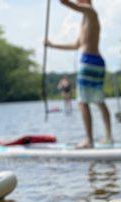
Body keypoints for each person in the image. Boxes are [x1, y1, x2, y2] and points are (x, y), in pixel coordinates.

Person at [45, 0, 112, 148]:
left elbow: (67, 4)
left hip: (89, 62)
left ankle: (89, 140)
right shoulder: (86, 20)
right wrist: (52, 45)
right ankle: (108, 136)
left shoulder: (89, 10)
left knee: (83, 102)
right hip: (96, 61)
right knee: (99, 100)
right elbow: (76, 45)